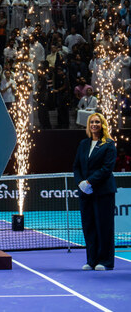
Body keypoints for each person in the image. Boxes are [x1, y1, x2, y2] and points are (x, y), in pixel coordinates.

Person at [73, 113, 117, 271]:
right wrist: (81, 183)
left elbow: (107, 168)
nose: (94, 124)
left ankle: (105, 261)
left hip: (103, 192)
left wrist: (89, 182)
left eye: (97, 122)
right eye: (92, 122)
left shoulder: (109, 144)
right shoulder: (83, 144)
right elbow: (76, 166)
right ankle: (91, 260)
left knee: (104, 226)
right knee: (89, 226)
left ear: (102, 124)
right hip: (86, 193)